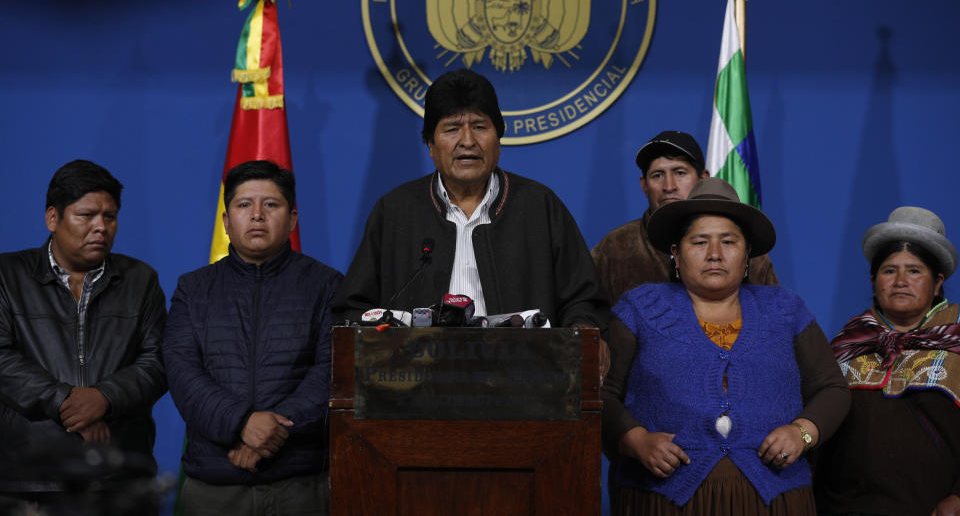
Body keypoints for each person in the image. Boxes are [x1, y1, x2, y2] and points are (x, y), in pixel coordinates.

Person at [601, 177, 849, 514]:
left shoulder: (785, 309)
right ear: (676, 252)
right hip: (662, 498)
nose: (715, 254)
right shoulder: (639, 309)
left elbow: (833, 388)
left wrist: (802, 432)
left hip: (774, 499)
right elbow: (600, 394)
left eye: (729, 242)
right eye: (700, 242)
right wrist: (635, 440)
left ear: (747, 253)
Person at [333, 69, 610, 357]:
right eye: (452, 128)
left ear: (498, 140)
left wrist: (583, 333)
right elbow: (353, 309)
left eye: (479, 126)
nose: (467, 141)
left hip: (523, 383)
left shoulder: (539, 206)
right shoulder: (394, 212)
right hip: (416, 385)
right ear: (430, 145)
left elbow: (584, 300)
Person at [163, 160, 342, 515]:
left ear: (292, 219)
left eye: (270, 204)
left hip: (301, 484)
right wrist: (241, 423)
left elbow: (333, 371)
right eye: (244, 205)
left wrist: (269, 434)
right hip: (216, 484)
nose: (257, 215)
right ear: (227, 222)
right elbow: (182, 372)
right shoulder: (193, 289)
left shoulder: (327, 285)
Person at [0, 159, 167, 509]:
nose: (101, 227)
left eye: (110, 217)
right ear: (52, 219)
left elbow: (159, 361)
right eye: (86, 215)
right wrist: (66, 402)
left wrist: (104, 398)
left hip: (119, 476)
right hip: (29, 479)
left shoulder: (141, 280)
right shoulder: (7, 275)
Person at [815, 206, 960, 516]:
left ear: (937, 283)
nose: (900, 281)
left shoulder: (956, 342)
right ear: (873, 280)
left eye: (914, 270)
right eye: (889, 270)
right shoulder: (847, 344)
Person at [591, 131, 778, 306]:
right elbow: (589, 318)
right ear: (644, 185)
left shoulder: (744, 249)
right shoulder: (615, 247)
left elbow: (777, 320)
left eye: (680, 173)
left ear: (703, 178)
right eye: (657, 175)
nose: (669, 186)